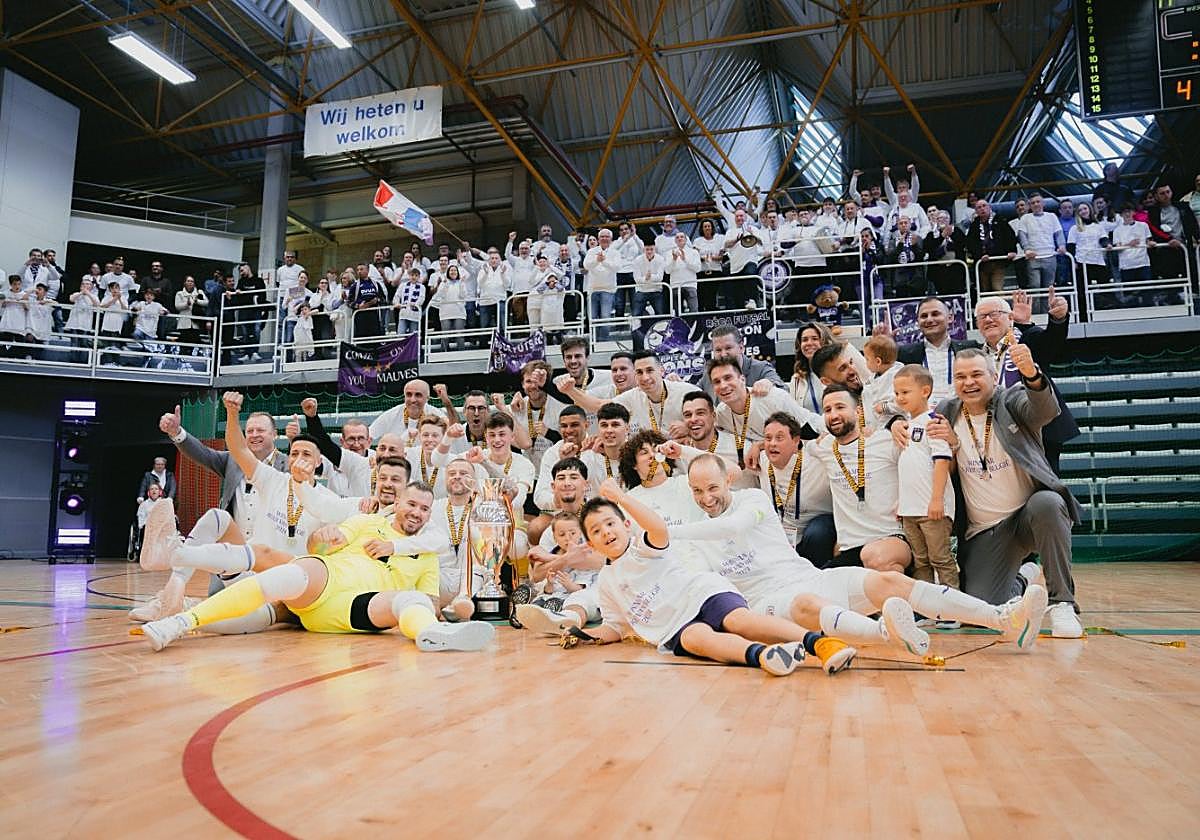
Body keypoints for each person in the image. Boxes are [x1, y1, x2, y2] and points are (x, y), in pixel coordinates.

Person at [668, 454, 1049, 655]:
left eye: (712, 488)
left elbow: (731, 529)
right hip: (767, 603)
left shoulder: (752, 499)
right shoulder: (695, 537)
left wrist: (669, 531)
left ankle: (1003, 619)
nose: (707, 499)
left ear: (729, 479)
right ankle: (887, 633)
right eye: (697, 492)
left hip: (808, 575)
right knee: (805, 605)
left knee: (890, 581)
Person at [521, 480, 856, 676]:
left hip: (702, 594)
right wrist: (586, 635)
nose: (605, 531)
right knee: (698, 640)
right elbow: (615, 627)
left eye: (610, 523)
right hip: (674, 625)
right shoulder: (607, 583)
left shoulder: (643, 546)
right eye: (595, 530)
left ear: (625, 526)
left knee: (738, 620)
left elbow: (657, 527)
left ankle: (819, 643)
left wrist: (621, 498)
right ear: (590, 542)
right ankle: (764, 656)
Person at [137, 479, 495, 653]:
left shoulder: (426, 553)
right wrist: (326, 538)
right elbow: (320, 545)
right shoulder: (365, 521)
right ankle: (179, 620)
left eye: (423, 509)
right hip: (324, 580)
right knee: (282, 575)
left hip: (355, 608)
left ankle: (433, 636)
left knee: (409, 602)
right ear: (397, 503)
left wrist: (434, 609)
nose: (416, 512)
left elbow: (430, 599)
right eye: (411, 504)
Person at [927, 347, 1083, 638]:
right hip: (985, 530)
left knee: (1049, 502)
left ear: (993, 376)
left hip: (1028, 517)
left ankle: (1062, 603)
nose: (968, 382)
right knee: (982, 610)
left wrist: (1032, 376)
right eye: (960, 376)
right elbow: (912, 419)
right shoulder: (946, 411)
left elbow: (1044, 410)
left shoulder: (1010, 400)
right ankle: (1025, 577)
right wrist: (896, 424)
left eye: (976, 374)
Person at [810, 385, 911, 572]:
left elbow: (921, 463)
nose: (833, 415)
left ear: (857, 411)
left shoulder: (885, 440)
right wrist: (758, 446)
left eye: (840, 407)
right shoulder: (823, 447)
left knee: (874, 558)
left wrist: (897, 421)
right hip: (850, 548)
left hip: (892, 539)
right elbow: (787, 439)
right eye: (827, 410)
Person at [891, 366, 958, 597]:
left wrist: (937, 499)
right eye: (897, 393)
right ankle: (928, 608)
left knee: (941, 558)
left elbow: (942, 462)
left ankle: (952, 608)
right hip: (910, 509)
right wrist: (901, 502)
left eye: (905, 392)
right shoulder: (905, 425)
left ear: (925, 391)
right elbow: (909, 469)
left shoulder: (933, 422)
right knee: (921, 561)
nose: (900, 398)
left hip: (932, 509)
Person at [751, 411, 835, 567]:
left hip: (815, 534)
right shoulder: (760, 459)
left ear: (796, 441)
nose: (772, 444)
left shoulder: (816, 460)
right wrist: (756, 445)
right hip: (782, 538)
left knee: (819, 530)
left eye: (779, 438)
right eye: (768, 438)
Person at [707, 356, 823, 468]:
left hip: (817, 444)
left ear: (742, 379)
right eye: (717, 382)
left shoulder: (773, 398)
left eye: (728, 378)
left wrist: (760, 445)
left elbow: (804, 437)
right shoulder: (722, 414)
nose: (723, 385)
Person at [555, 350, 695, 436]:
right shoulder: (634, 395)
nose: (645, 377)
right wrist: (570, 391)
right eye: (639, 372)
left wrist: (688, 428)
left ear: (662, 371)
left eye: (650, 370)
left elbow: (713, 422)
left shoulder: (687, 392)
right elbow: (598, 405)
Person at [893, 297, 973, 409]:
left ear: (950, 318)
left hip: (963, 414)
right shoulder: (904, 354)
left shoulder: (970, 348)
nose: (929, 320)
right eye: (924, 316)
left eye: (935, 314)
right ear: (918, 322)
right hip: (921, 418)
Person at [701, 324, 785, 399]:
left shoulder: (761, 368)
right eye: (718, 350)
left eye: (728, 348)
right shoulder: (708, 374)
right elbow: (694, 392)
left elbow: (784, 389)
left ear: (741, 347)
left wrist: (769, 383)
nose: (723, 354)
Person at [369, 379, 448, 445]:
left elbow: (452, 429)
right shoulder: (391, 415)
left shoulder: (435, 414)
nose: (413, 400)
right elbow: (368, 436)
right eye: (409, 394)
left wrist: (447, 402)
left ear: (427, 398)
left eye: (418, 395)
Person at [964, 199, 1019, 292]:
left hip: (998, 261)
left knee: (997, 288)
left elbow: (1010, 237)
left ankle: (1000, 306)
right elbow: (970, 244)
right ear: (976, 211)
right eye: (979, 207)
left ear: (989, 207)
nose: (982, 209)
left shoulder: (1000, 220)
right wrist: (979, 255)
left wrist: (1012, 250)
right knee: (985, 291)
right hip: (982, 263)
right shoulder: (974, 226)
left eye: (984, 206)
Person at [861, 334, 903, 420]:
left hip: (892, 420)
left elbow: (903, 403)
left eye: (867, 360)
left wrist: (884, 407)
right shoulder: (874, 376)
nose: (866, 363)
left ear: (878, 361)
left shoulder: (898, 376)